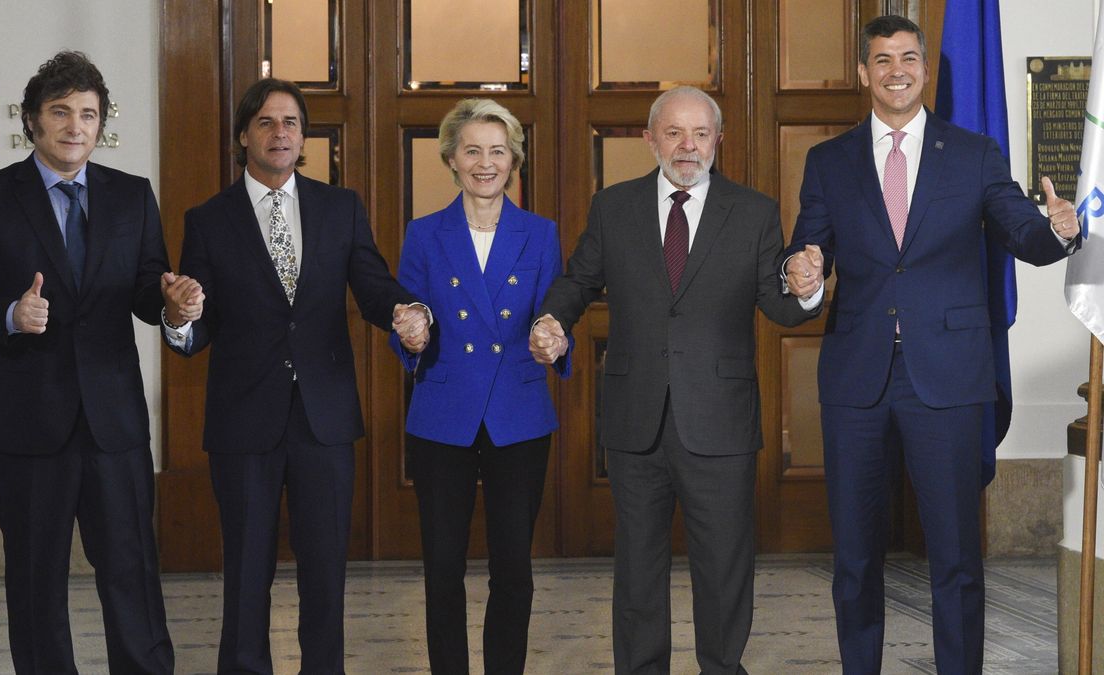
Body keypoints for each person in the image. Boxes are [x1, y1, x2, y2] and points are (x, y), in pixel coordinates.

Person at [782, 15, 1080, 675]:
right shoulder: (828, 161)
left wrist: (1057, 230)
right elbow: (807, 249)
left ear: (925, 68)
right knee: (856, 559)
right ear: (864, 72)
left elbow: (1019, 233)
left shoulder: (973, 153)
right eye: (882, 60)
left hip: (947, 377)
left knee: (956, 559)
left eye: (908, 57)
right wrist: (799, 275)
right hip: (857, 379)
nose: (896, 71)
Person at [530, 86, 817, 674]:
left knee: (725, 568)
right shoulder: (614, 207)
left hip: (721, 418)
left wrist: (807, 288)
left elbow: (779, 305)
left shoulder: (755, 210)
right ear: (650, 138)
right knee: (637, 569)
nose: (689, 147)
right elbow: (578, 280)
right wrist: (552, 320)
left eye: (701, 134)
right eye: (674, 133)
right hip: (637, 419)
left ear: (718, 140)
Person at [162, 77, 429, 675]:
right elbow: (196, 322)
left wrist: (405, 313)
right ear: (243, 136)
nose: (279, 133)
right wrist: (179, 317)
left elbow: (373, 285)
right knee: (247, 572)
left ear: (303, 137)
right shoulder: (207, 219)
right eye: (265, 122)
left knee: (326, 573)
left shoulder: (341, 207)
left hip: (324, 419)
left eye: (290, 123)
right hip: (243, 423)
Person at [0, 51, 186, 674]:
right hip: (25, 425)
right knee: (35, 583)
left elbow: (143, 290)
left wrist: (173, 307)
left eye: (88, 113)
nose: (75, 126)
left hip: (114, 427)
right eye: (60, 112)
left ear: (101, 122)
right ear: (31, 121)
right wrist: (9, 317)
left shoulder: (133, 196)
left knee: (132, 574)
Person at [390, 98, 571, 674]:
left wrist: (554, 341)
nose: (485, 163)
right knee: (442, 566)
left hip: (518, 416)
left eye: (498, 151)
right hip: (444, 415)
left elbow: (553, 317)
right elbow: (407, 322)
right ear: (451, 158)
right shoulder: (423, 235)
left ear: (514, 160)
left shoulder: (541, 235)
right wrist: (411, 336)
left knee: (513, 568)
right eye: (473, 150)